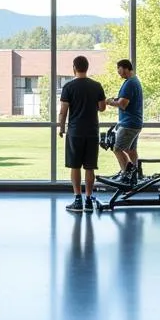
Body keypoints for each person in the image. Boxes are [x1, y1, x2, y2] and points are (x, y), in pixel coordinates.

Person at [58, 55, 107, 213]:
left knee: (75, 166)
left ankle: (77, 200)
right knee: (90, 167)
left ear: (74, 67)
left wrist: (61, 128)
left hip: (75, 131)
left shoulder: (68, 87)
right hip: (92, 131)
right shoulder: (96, 86)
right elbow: (102, 107)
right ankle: (88, 200)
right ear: (87, 67)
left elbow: (63, 111)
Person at [106, 58, 143, 183]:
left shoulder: (130, 83)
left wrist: (110, 102)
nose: (118, 72)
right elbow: (126, 99)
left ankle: (127, 174)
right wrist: (117, 99)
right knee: (131, 150)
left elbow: (123, 104)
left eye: (119, 68)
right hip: (135, 123)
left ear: (126, 68)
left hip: (128, 124)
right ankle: (136, 175)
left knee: (117, 149)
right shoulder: (134, 81)